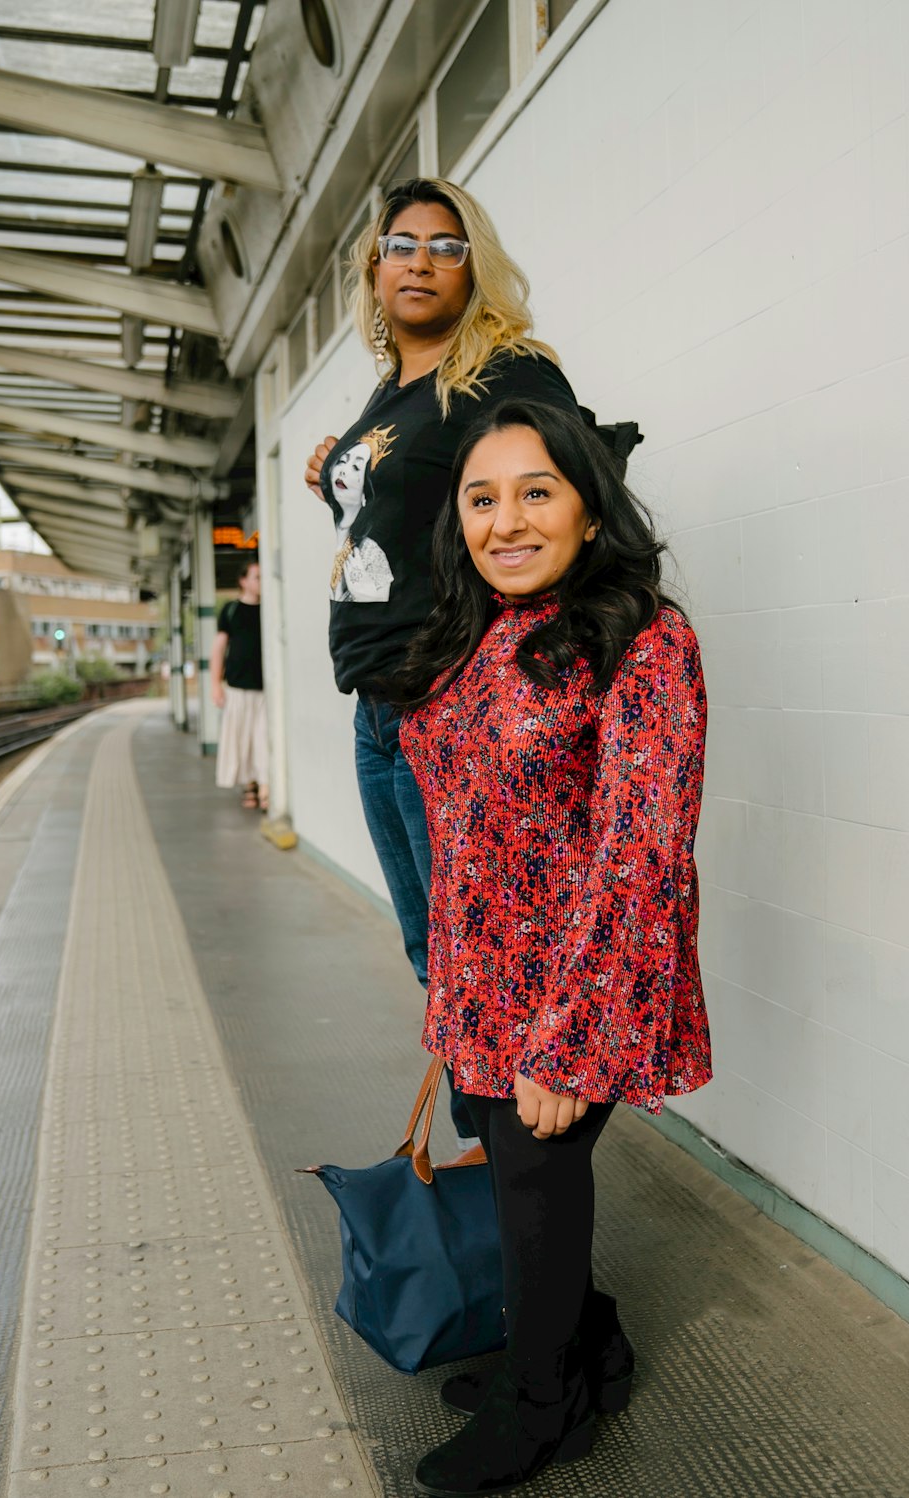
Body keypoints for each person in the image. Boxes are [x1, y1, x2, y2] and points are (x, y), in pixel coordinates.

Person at [390, 399, 712, 1498]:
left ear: (588, 507)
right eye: (483, 498)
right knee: (519, 1185)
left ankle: (545, 1410)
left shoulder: (643, 637)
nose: (506, 520)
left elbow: (639, 851)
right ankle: (580, 1345)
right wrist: (448, 984)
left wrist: (569, 1042)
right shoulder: (472, 628)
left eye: (537, 492)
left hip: (576, 987)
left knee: (536, 1184)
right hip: (478, 981)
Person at [304, 177, 633, 1144]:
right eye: (402, 245)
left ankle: (527, 1226)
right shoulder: (394, 391)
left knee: (488, 967)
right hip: (377, 709)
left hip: (445, 707)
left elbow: (575, 491)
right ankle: (509, 1219)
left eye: (445, 246)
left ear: (472, 265)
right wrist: (339, 470)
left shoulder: (506, 372)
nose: (421, 262)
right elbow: (414, 521)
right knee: (438, 960)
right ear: (374, 267)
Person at [211, 556, 268, 811]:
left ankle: (265, 785)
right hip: (237, 686)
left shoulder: (269, 608)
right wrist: (215, 684)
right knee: (241, 739)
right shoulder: (230, 610)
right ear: (243, 581)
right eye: (257, 577)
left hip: (265, 689)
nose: (261, 582)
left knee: (263, 738)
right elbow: (218, 648)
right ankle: (249, 785)